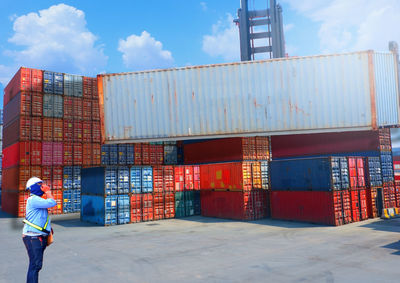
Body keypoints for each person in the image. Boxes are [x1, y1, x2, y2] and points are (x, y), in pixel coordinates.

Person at [22, 177, 57, 283]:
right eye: (41, 185)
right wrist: (48, 191)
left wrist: (47, 229)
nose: (43, 186)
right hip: (33, 237)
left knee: (35, 264)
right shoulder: (34, 200)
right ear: (35, 187)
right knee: (35, 265)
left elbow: (40, 216)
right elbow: (52, 202)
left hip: (37, 236)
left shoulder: (37, 200)